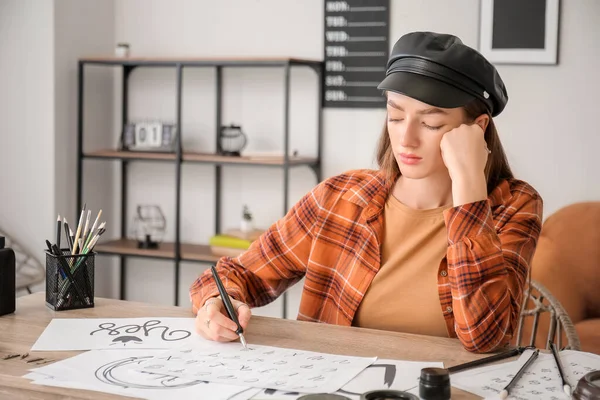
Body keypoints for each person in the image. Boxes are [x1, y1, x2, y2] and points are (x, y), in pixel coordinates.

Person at [189, 31, 543, 354]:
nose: (406, 139)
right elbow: (235, 275)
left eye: (431, 123)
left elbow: (486, 335)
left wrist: (469, 187)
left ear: (477, 129)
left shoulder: (514, 206)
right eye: (395, 116)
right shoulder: (340, 197)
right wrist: (216, 304)